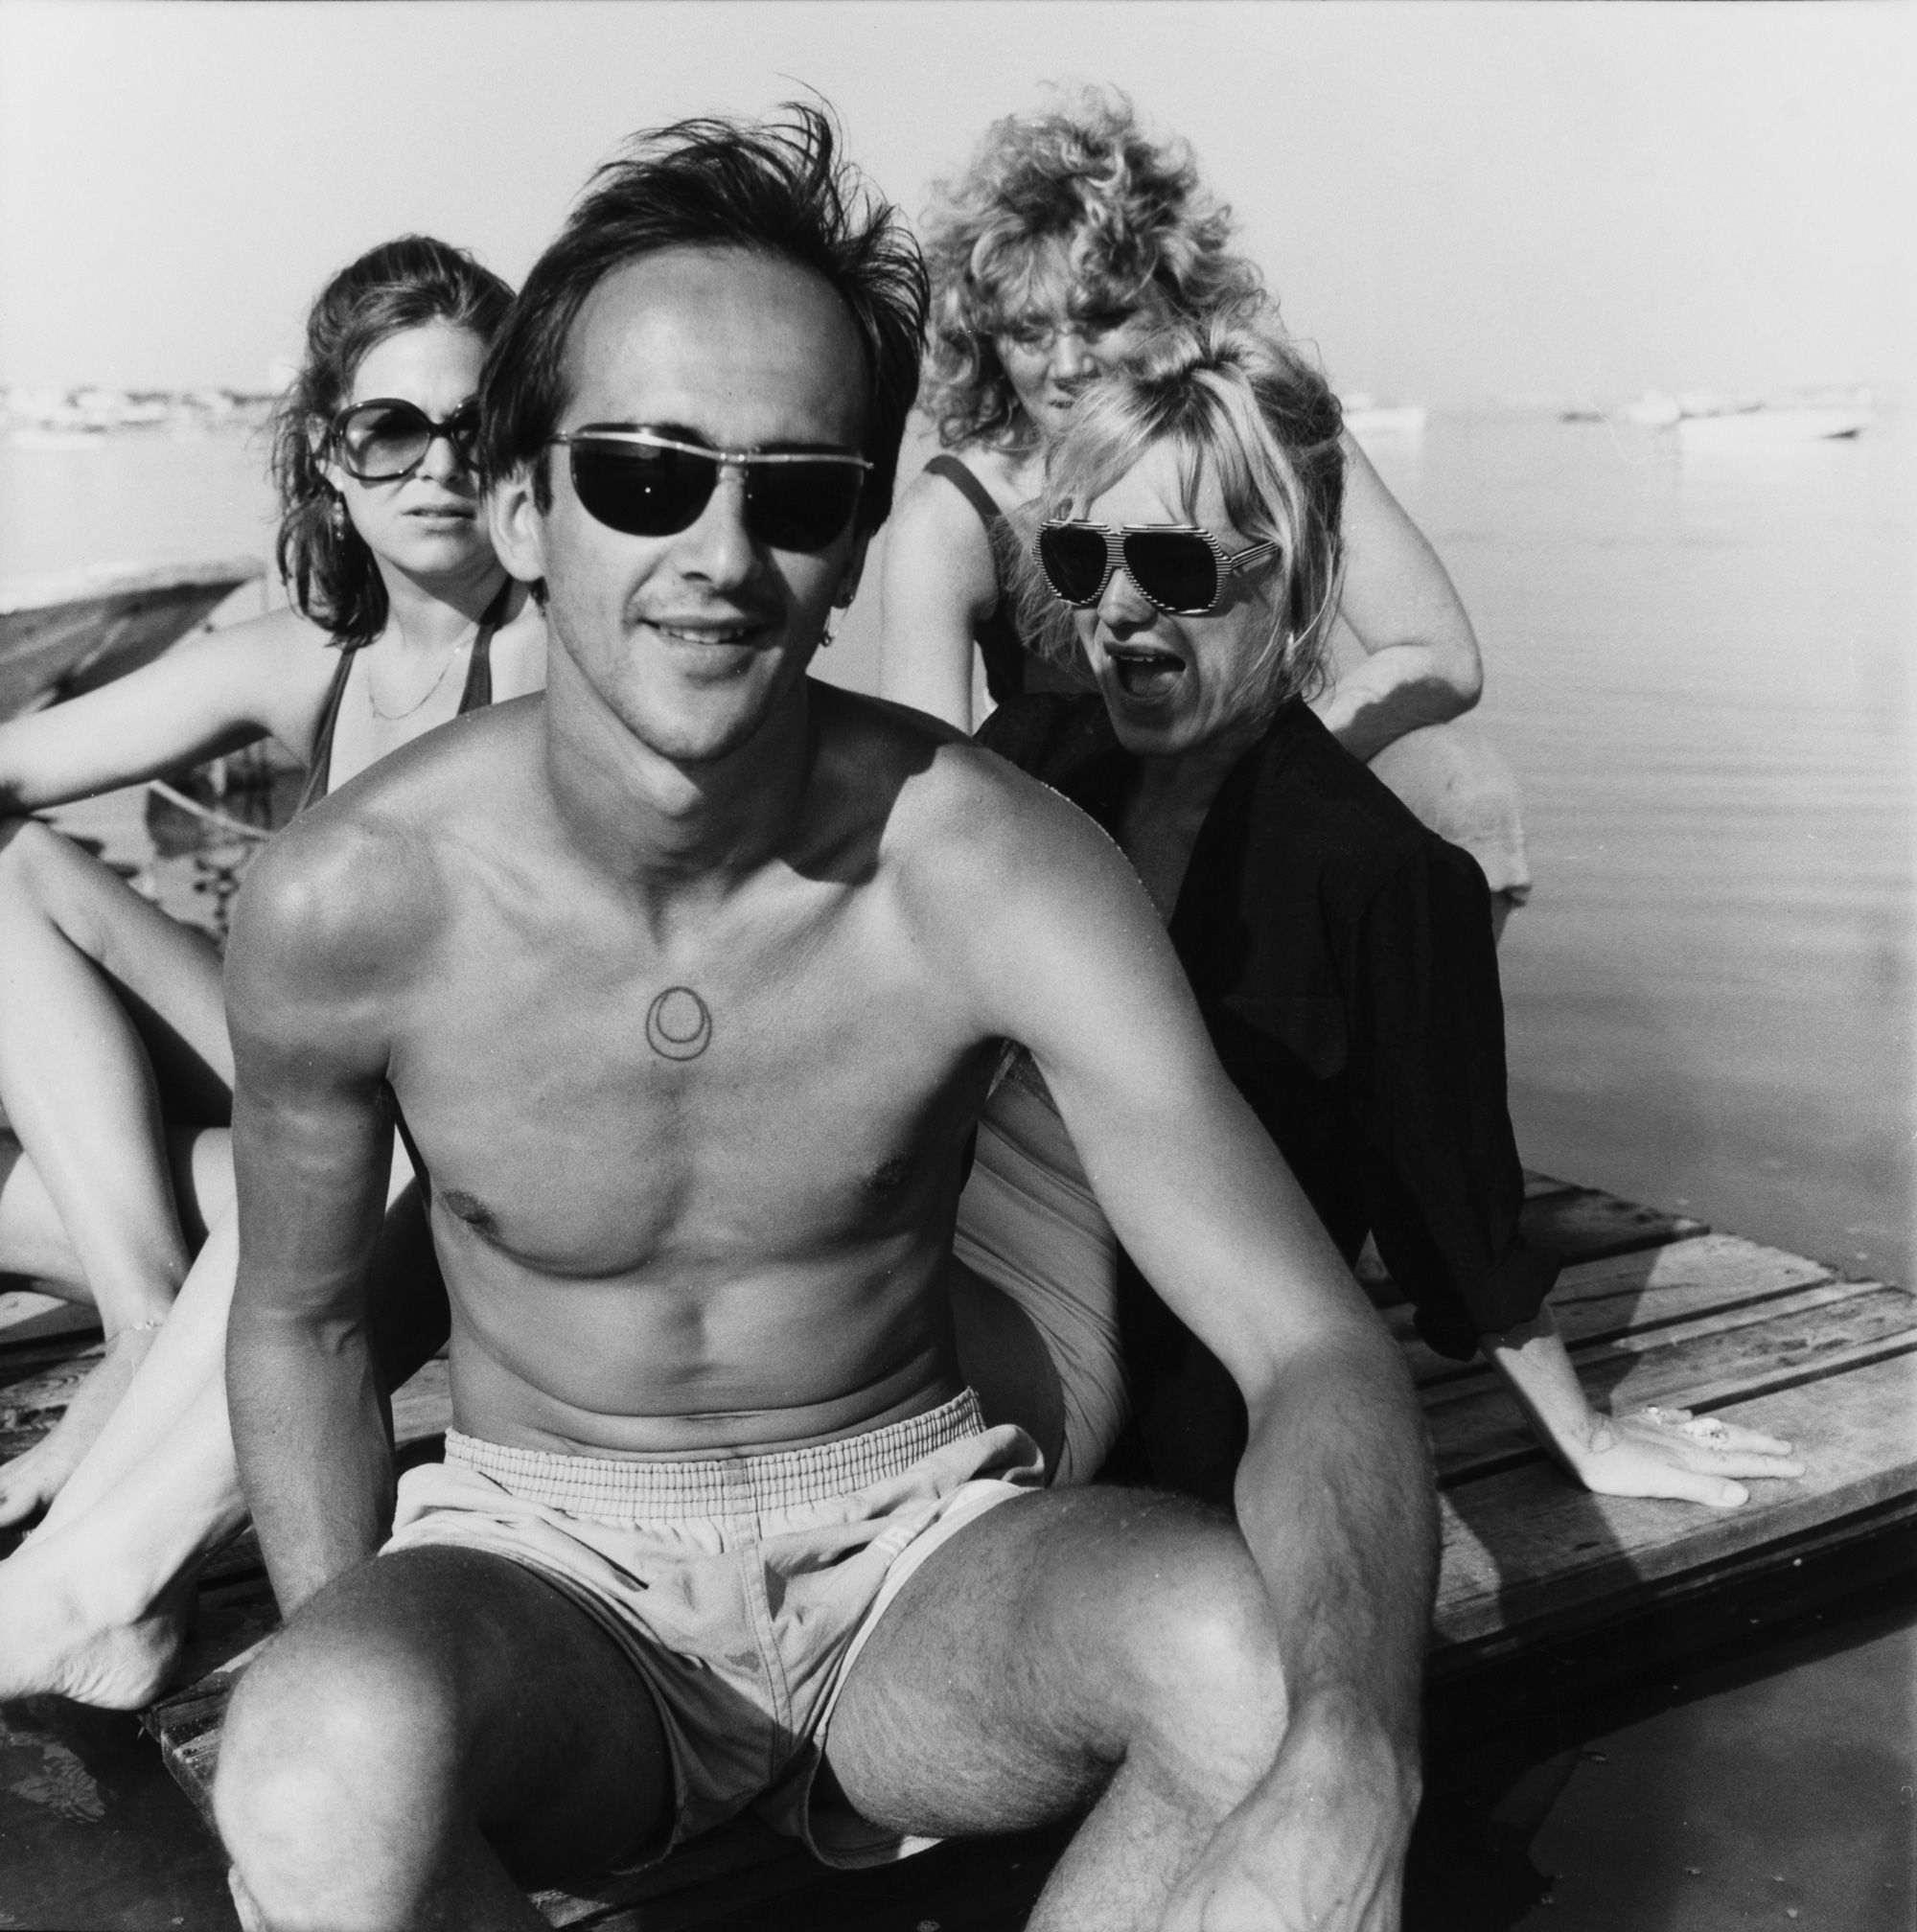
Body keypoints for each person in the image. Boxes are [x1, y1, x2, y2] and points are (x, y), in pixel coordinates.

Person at [211, 109, 1432, 1932]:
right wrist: (381, 1729)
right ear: (524, 506)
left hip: (921, 1546)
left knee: (1256, 1666)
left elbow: (1314, 1346)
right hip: (548, 1567)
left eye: (793, 494)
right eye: (645, 478)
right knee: (318, 1768)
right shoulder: (352, 899)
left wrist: (1358, 1761)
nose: (721, 553)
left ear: (859, 541)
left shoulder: (993, 868)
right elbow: (303, 1321)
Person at [957, 305, 1803, 1510]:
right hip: (953, 1282)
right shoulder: (1028, 765)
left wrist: (1584, 1435)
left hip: (1161, 1378)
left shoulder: (1377, 880)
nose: (1119, 611)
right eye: (1084, 561)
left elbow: (1449, 1203)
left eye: (1175, 567)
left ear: (1291, 580)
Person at [0, 235, 544, 1704]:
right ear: (329, 455)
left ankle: (107, 1587)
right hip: (312, 1126)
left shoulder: (548, 659)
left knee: (340, 1130)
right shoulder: (316, 653)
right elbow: (17, 766)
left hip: (446, 1168)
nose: (438, 466)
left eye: (476, 425)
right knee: (16, 869)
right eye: (391, 428)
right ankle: (141, 1323)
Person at [878, 87, 1532, 936]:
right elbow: (930, 797)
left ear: (1177, 301)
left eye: (1103, 317)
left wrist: (1248, 776)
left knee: (1464, 786)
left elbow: (1440, 655)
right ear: (987, 342)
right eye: (1029, 332)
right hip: (1075, 842)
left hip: (1263, 790)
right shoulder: (953, 514)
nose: (1067, 365)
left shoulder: (1273, 434)